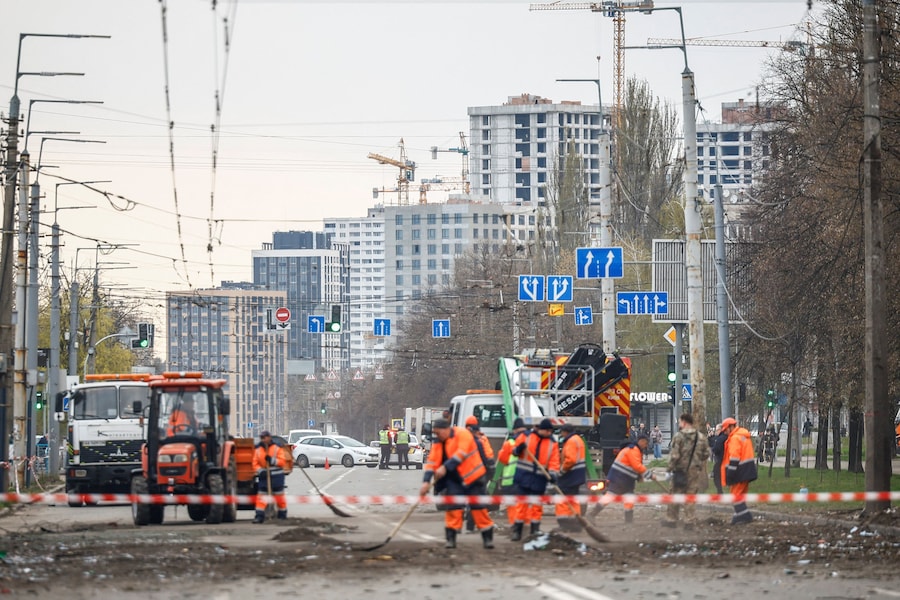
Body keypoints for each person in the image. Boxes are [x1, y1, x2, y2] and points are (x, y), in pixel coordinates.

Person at [419, 418, 495, 549]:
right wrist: (426, 481)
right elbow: (432, 462)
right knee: (453, 508)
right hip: (455, 480)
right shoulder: (439, 441)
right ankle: (451, 539)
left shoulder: (463, 434)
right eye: (435, 433)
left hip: (474, 478)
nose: (437, 436)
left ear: (447, 429)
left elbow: (462, 453)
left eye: (438, 432)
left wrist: (445, 467)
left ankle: (487, 538)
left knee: (479, 509)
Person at [510, 418, 559, 541]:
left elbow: (554, 461)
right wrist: (518, 449)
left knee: (537, 506)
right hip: (524, 477)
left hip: (539, 479)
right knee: (521, 505)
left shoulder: (552, 444)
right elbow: (514, 451)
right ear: (542, 430)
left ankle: (535, 530)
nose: (549, 433)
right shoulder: (526, 437)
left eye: (550, 431)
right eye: (547, 431)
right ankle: (517, 531)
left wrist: (553, 474)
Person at [661, 413, 710, 529]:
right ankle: (689, 521)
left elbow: (674, 456)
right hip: (694, 472)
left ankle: (671, 519)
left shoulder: (678, 436)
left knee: (675, 495)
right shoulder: (701, 437)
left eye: (679, 421)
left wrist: (669, 469)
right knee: (690, 496)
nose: (679, 424)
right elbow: (706, 454)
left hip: (679, 471)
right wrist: (696, 462)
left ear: (684, 422)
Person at [606, 435, 652, 523]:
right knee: (610, 496)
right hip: (619, 478)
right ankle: (592, 514)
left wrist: (639, 476)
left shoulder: (636, 450)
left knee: (629, 498)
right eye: (646, 443)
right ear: (641, 441)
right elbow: (637, 466)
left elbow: (636, 465)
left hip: (625, 479)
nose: (646, 446)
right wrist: (649, 475)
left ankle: (629, 520)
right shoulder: (633, 450)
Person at [720, 417, 756, 525]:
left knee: (735, 496)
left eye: (726, 430)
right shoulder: (744, 436)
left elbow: (734, 457)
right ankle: (737, 518)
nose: (725, 433)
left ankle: (746, 517)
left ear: (731, 427)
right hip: (747, 470)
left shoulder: (735, 438)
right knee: (740, 496)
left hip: (739, 472)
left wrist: (730, 473)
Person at [464, 415, 496, 533]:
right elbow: (488, 455)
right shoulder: (482, 438)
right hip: (480, 472)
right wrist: (490, 470)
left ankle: (470, 523)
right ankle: (479, 523)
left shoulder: (462, 438)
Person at [554, 423, 586, 532]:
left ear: (565, 432)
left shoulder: (571, 441)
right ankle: (575, 523)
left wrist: (562, 471)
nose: (561, 435)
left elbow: (571, 460)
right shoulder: (578, 440)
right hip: (577, 475)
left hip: (570, 475)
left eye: (562, 432)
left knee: (562, 499)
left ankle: (564, 524)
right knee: (573, 500)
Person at [496, 417, 528, 528]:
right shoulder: (531, 440)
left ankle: (515, 526)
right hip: (526, 480)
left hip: (510, 481)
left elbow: (502, 459)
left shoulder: (509, 443)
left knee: (512, 505)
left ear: (515, 430)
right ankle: (526, 526)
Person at [252, 430, 289, 523]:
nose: (263, 440)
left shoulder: (276, 448)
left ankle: (282, 515)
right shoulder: (258, 449)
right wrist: (260, 471)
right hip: (264, 477)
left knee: (279, 497)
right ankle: (259, 516)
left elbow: (282, 461)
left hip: (277, 477)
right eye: (262, 438)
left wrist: (272, 460)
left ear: (269, 438)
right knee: (261, 497)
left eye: (265, 437)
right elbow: (255, 463)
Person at [709, 423, 727, 494]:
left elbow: (716, 448)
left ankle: (720, 492)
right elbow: (713, 442)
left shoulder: (721, 438)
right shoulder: (724, 437)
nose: (716, 431)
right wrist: (710, 437)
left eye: (717, 430)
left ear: (721, 429)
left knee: (716, 476)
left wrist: (713, 449)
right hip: (725, 459)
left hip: (721, 460)